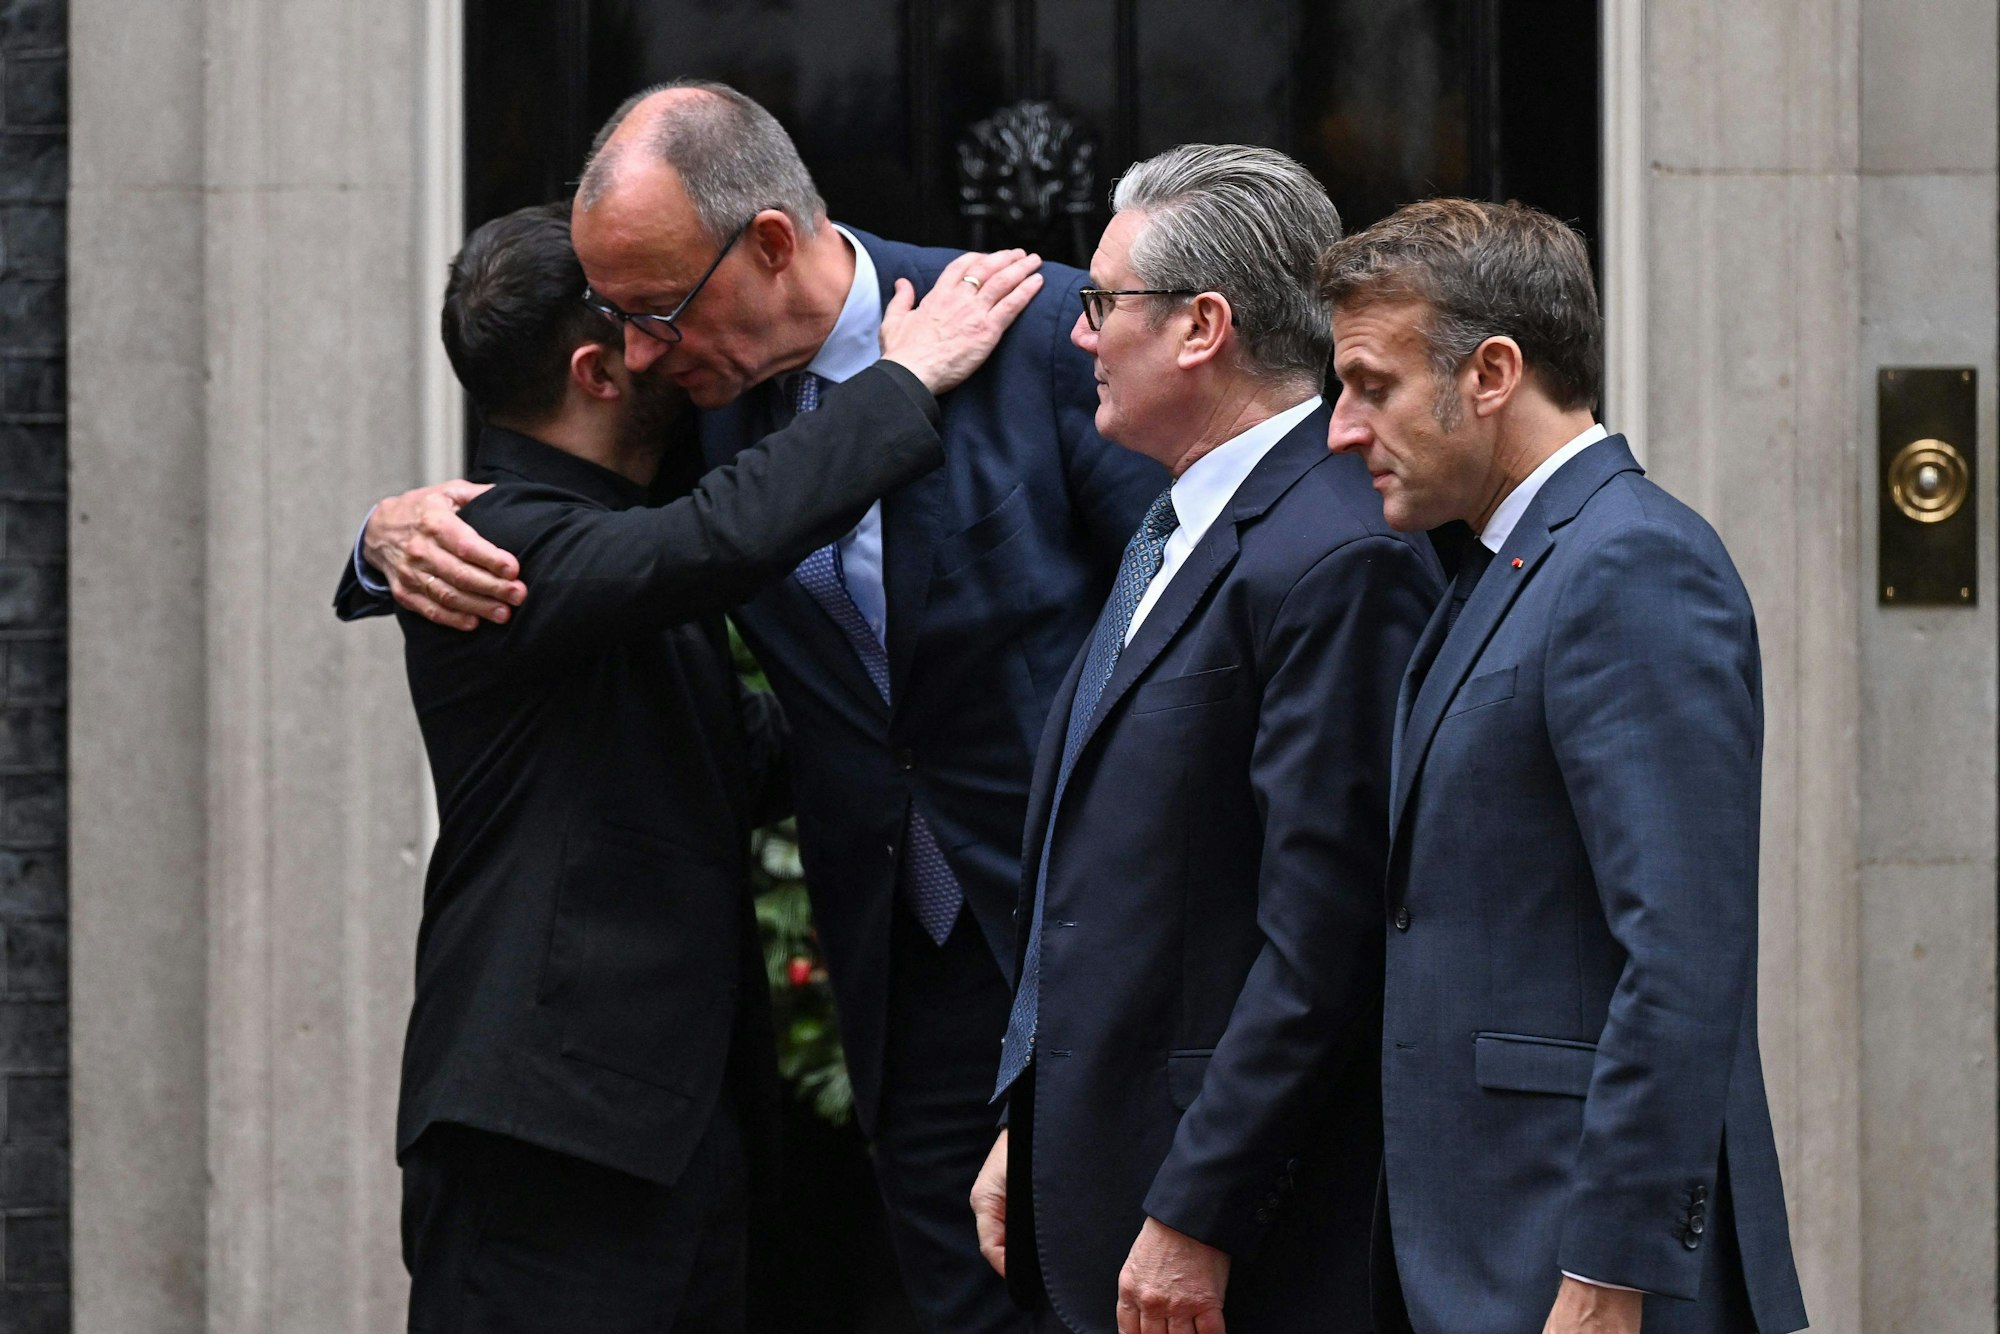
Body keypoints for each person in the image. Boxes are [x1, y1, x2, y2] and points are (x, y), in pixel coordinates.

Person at [341, 83, 1163, 1333]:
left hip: (1077, 955)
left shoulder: (1032, 335)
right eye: (621, 326)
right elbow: (686, 539)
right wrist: (373, 538)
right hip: (754, 1040)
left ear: (768, 242)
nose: (648, 353)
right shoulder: (631, 467)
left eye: (658, 313)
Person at [970, 145, 1441, 1334]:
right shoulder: (1178, 520)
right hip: (1100, 1186)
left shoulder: (1336, 551)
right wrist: (1029, 1122)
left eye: (1101, 303)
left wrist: (1202, 1210)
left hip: (1236, 1246)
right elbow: (1110, 881)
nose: (1079, 336)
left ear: (1201, 327)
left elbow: (1319, 935)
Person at [1319, 198, 1810, 1334]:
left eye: (1370, 385)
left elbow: (1681, 949)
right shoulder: (1505, 563)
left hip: (1579, 1277)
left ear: (1490, 371)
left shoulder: (1631, 561)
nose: (1343, 429)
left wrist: (1607, 1269)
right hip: (1482, 1253)